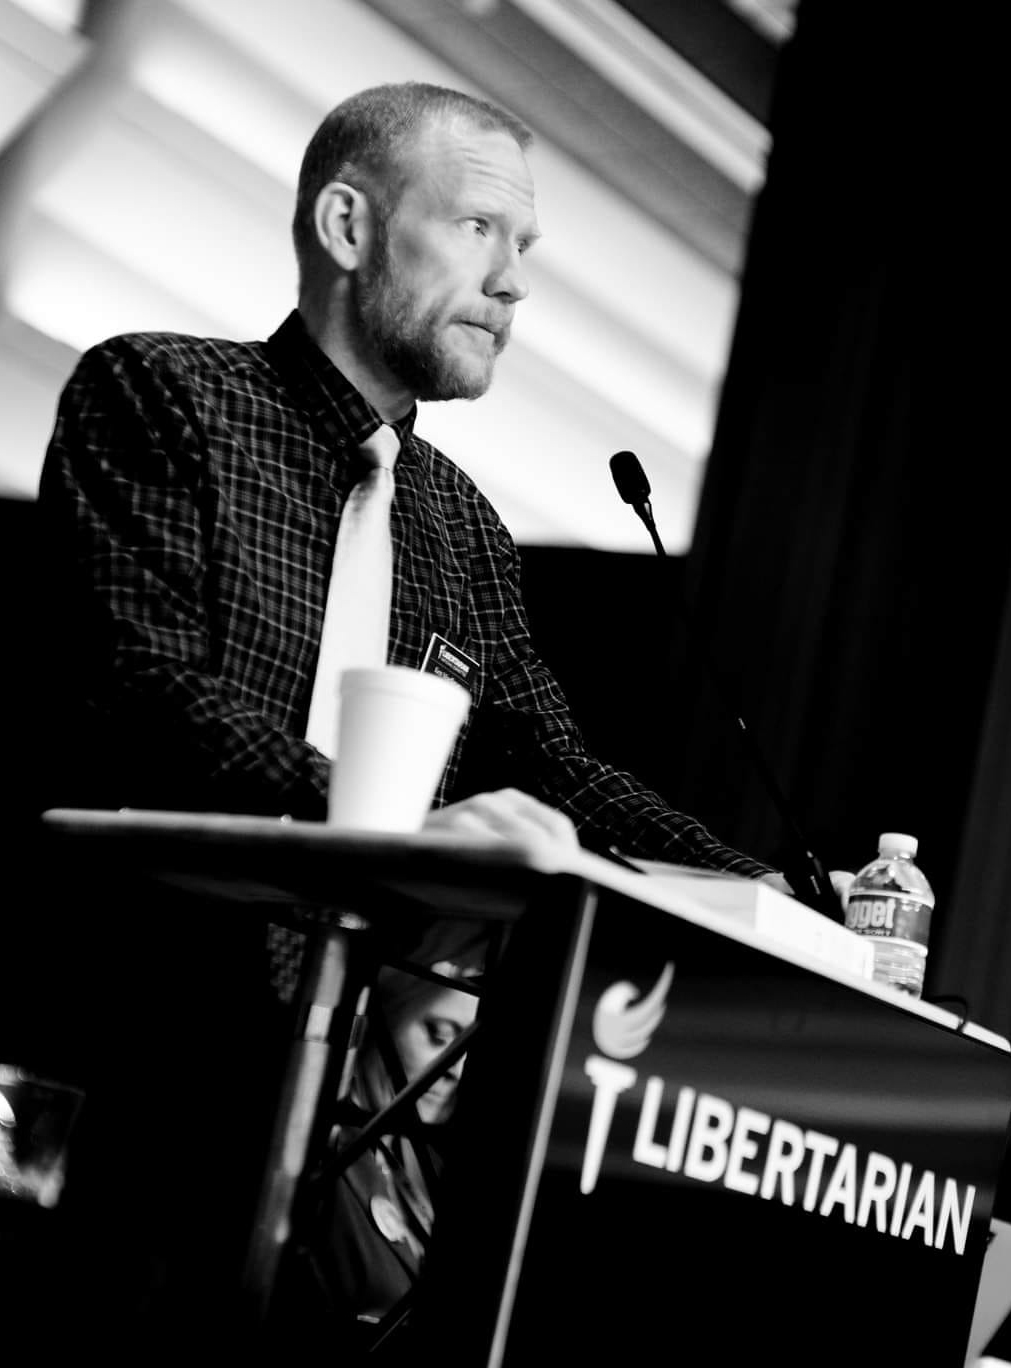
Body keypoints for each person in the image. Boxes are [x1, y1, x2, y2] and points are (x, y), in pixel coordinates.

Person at [35, 78, 784, 885]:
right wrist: (390, 832)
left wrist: (758, 887)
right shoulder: (160, 391)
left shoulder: (464, 525)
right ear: (348, 227)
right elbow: (141, 691)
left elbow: (554, 768)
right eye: (476, 227)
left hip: (350, 992)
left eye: (522, 245)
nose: (511, 282)